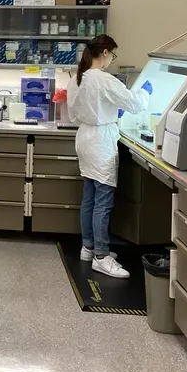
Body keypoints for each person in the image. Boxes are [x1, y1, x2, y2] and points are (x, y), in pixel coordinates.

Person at [67, 34, 152, 279]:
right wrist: (145, 93)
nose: (111, 60)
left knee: (90, 197)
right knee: (103, 202)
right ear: (104, 53)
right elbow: (136, 104)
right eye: (112, 55)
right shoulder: (105, 80)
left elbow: (75, 114)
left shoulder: (77, 78)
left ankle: (88, 247)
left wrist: (108, 110)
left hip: (85, 139)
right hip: (101, 142)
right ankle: (102, 257)